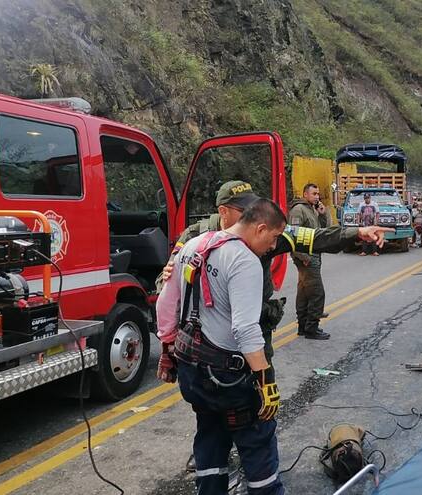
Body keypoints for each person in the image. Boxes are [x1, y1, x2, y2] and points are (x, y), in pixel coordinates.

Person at [156, 180, 391, 474]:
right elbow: (168, 287)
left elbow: (314, 237)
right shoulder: (196, 237)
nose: (252, 216)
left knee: (258, 400)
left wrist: (358, 232)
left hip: (254, 331)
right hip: (206, 342)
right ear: (224, 212)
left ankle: (253, 454)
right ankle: (220, 454)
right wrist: (166, 283)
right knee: (210, 405)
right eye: (244, 211)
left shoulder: (265, 230)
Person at [156, 198, 287, 495]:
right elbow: (245, 328)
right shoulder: (244, 261)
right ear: (260, 227)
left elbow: (167, 301)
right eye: (274, 237)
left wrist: (167, 350)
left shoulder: (195, 246)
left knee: (211, 434)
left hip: (191, 368)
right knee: (257, 439)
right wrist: (266, 382)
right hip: (226, 377)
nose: (273, 246)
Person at [289, 184, 331, 339]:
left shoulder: (312, 209)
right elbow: (292, 235)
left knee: (304, 293)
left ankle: (303, 326)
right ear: (305, 194)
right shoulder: (298, 210)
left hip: (313, 255)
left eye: (318, 194)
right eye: (314, 194)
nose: (317, 197)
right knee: (317, 293)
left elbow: (323, 231)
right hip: (306, 257)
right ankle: (312, 328)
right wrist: (303, 257)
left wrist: (323, 214)